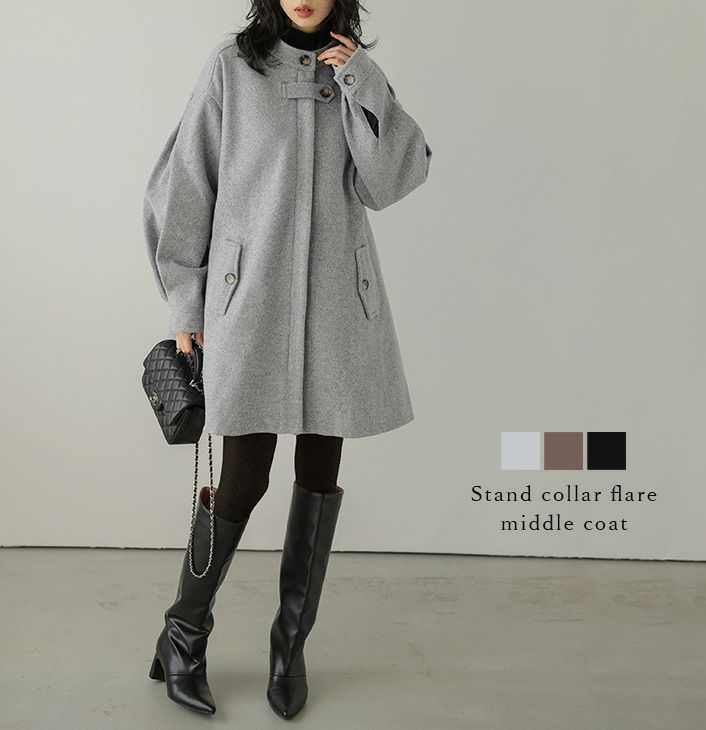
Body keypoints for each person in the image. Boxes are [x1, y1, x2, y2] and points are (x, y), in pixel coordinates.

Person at [142, 0, 432, 719]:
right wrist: (186, 304)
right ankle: (183, 634)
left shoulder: (354, 74)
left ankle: (289, 646)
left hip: (336, 313)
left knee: (319, 476)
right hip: (249, 304)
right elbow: (186, 186)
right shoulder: (232, 70)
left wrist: (362, 82)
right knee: (243, 480)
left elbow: (389, 182)